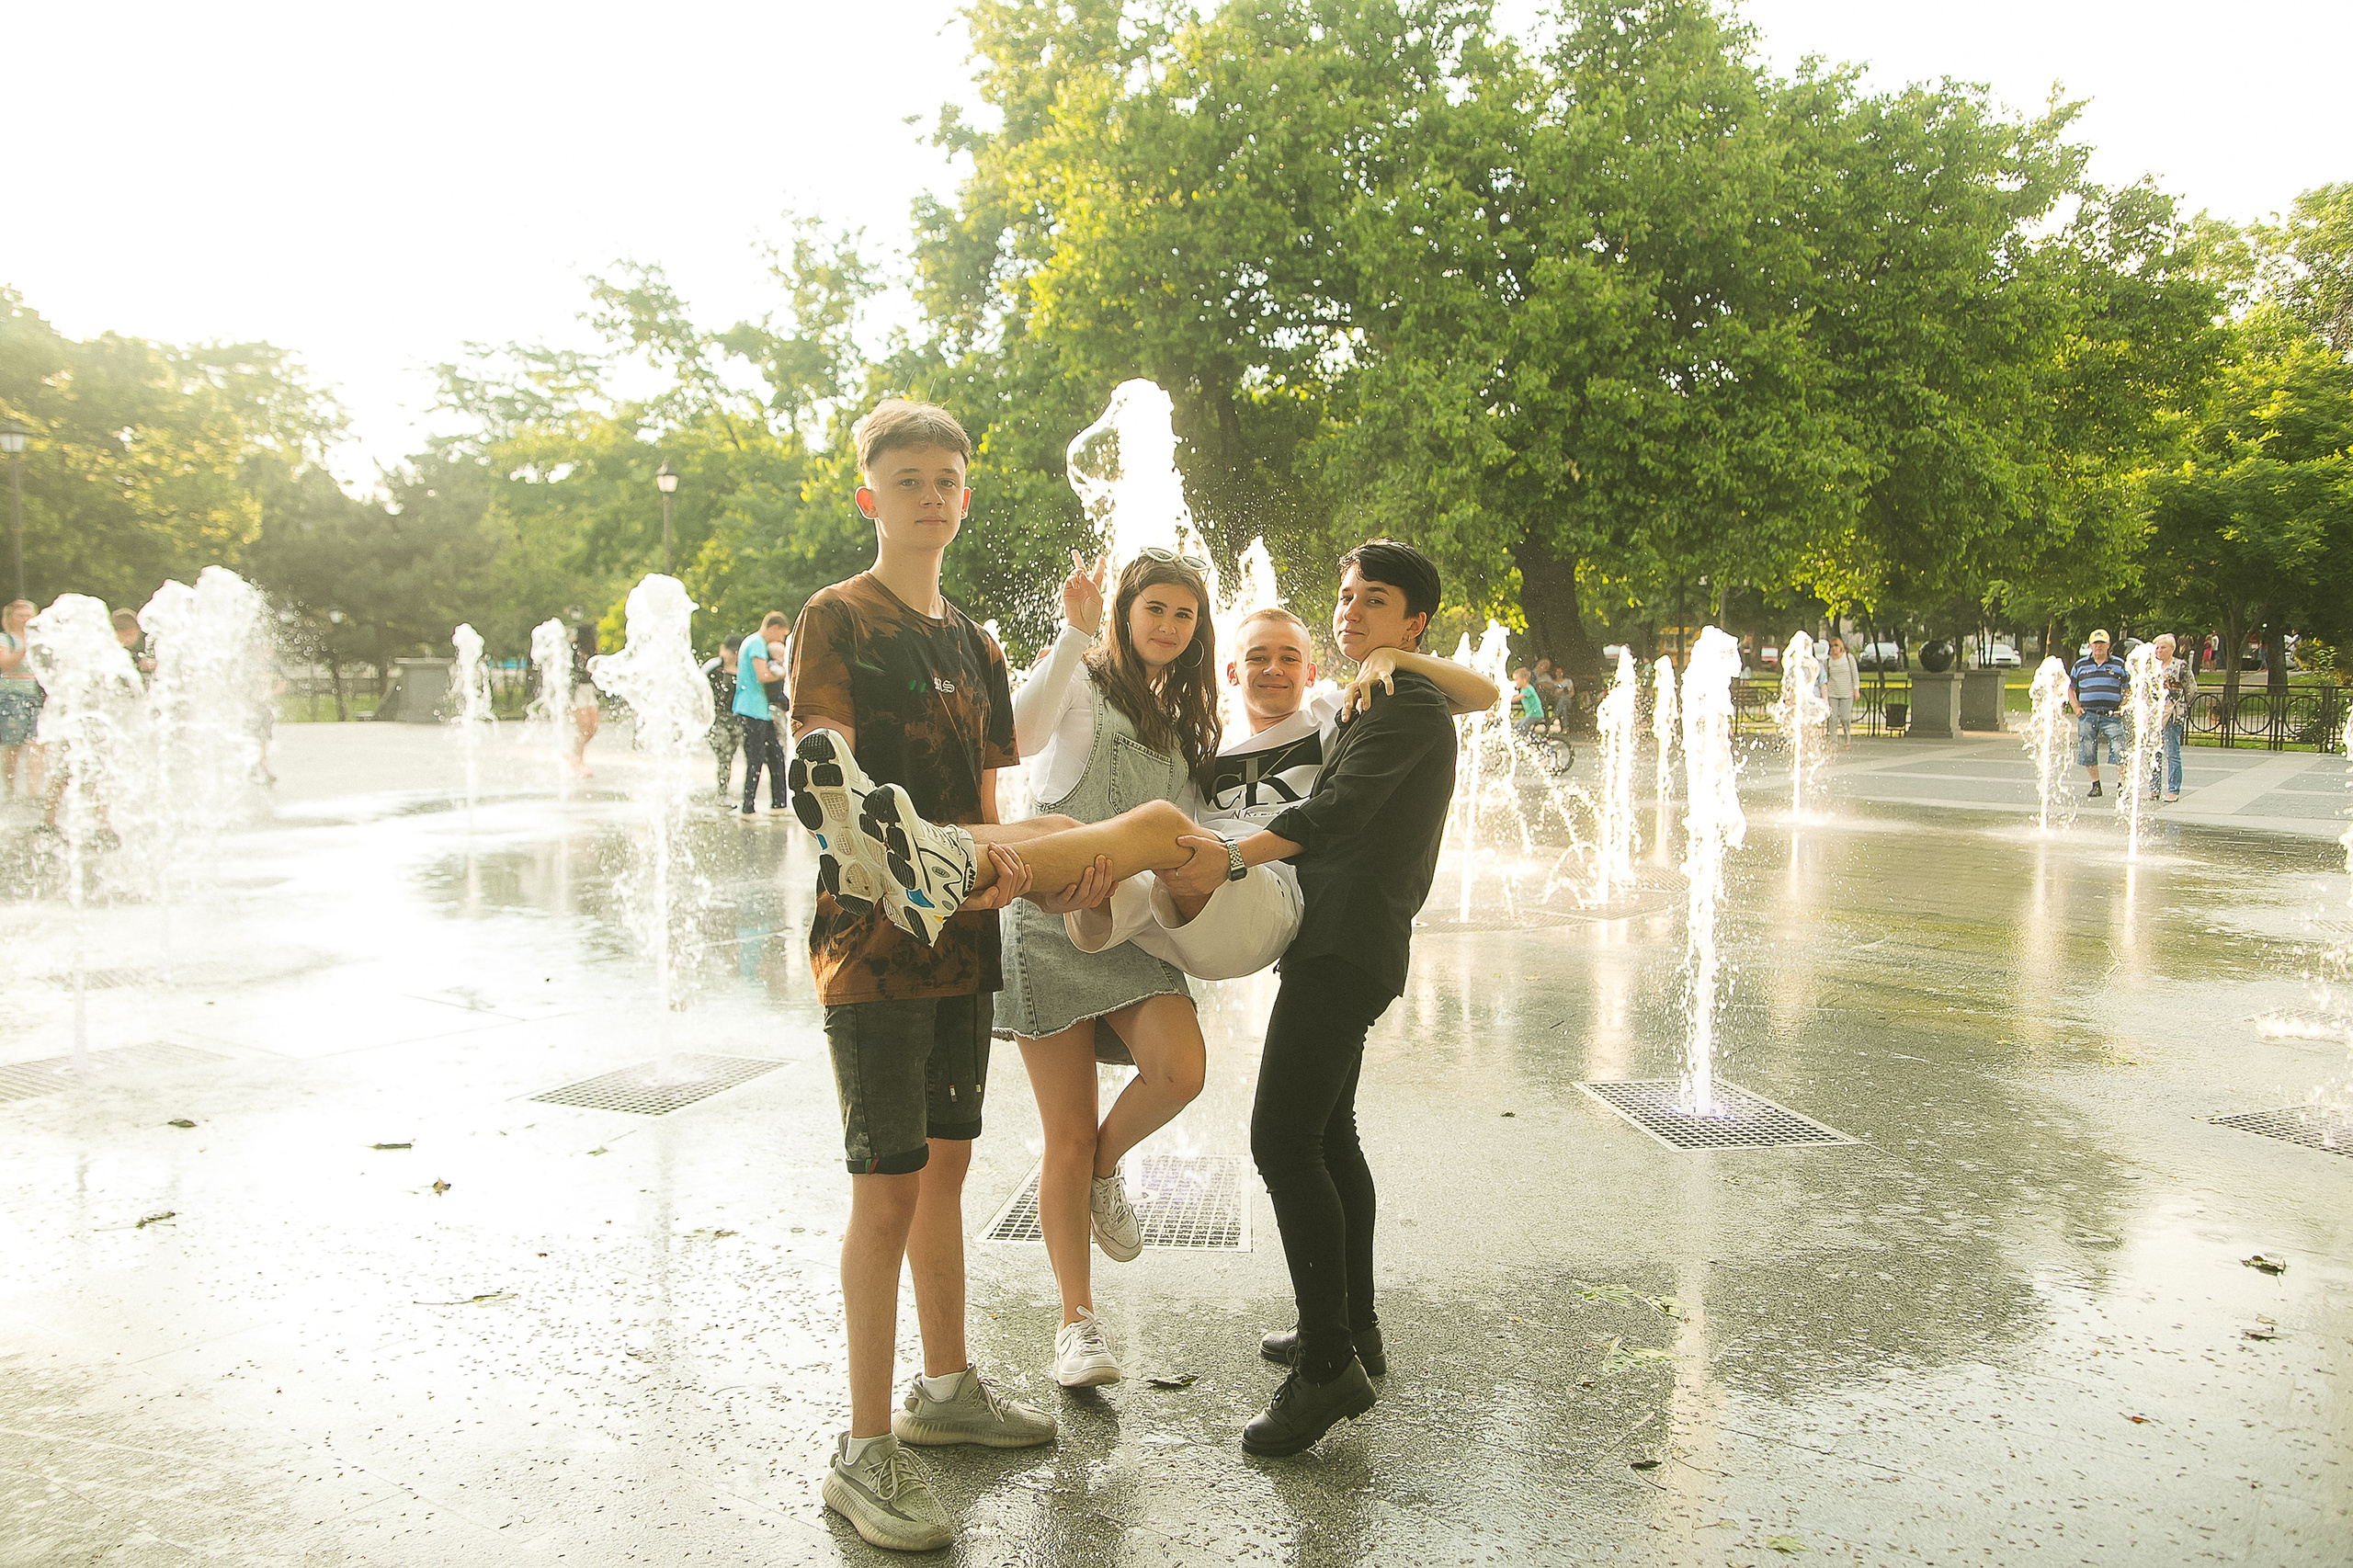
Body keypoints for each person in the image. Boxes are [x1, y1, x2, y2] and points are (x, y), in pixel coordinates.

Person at [782, 398, 1054, 1555]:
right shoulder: (836, 618)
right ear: (869, 496)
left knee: (947, 1171)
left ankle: (943, 1391)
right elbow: (826, 774)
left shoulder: (976, 642)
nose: (931, 495)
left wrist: (1011, 880)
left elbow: (990, 803)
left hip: (962, 944)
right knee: (885, 1189)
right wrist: (905, 866)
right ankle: (860, 1448)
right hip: (872, 947)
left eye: (948, 477)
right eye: (908, 479)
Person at [1162, 540, 1461, 1457]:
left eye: (1373, 599)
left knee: (1280, 1139)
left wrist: (1232, 856)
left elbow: (1336, 814)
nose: (1349, 610)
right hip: (1340, 937)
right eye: (1344, 595)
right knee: (1330, 1137)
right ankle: (1352, 1325)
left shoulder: (1406, 706)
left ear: (1412, 621)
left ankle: (1327, 1365)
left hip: (1348, 939)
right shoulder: (1378, 693)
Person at [993, 547, 1222, 1391]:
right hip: (1048, 917)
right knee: (1061, 1130)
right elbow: (1013, 739)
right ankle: (1076, 1325)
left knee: (1180, 1070)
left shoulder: (1190, 716)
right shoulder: (1081, 681)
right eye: (1152, 608)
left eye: (1182, 614)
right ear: (1125, 612)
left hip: (1131, 928)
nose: (1165, 625)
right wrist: (1069, 634)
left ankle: (1102, 1170)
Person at [1062, 606, 1495, 983]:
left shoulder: (1335, 716)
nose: (1274, 669)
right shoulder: (1202, 754)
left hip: (1262, 888)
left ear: (1309, 674)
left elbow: (1482, 694)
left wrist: (1393, 656)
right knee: (1068, 844)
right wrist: (1070, 669)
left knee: (1160, 825)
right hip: (1185, 897)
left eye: (1289, 659)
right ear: (1232, 672)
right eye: (1258, 658)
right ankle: (1001, 871)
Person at [736, 612, 791, 819]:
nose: (780, 641)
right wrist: (784, 673)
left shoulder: (751, 641)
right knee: (756, 758)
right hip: (752, 709)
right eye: (781, 636)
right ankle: (747, 807)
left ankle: (779, 804)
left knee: (775, 755)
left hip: (759, 710)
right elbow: (762, 675)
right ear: (774, 627)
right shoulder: (757, 643)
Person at [2068, 630, 2128, 798]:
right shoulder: (2080, 665)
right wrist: (2075, 707)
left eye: (2102, 643)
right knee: (2087, 749)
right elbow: (2071, 688)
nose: (2099, 646)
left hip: (2111, 715)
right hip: (2088, 714)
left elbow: (2128, 688)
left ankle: (2122, 785)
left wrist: (2122, 706)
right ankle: (2095, 785)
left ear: (2108, 645)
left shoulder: (2118, 664)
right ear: (2090, 645)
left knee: (2119, 749)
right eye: (2095, 643)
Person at [1, 598, 41, 800]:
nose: (26, 619)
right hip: (11, 697)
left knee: (38, 742)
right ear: (10, 618)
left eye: (29, 614)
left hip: (35, 697)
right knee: (14, 744)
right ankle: (10, 787)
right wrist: (25, 647)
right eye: (21, 615)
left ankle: (33, 791)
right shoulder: (5, 640)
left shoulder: (40, 640)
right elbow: (5, 664)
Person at [702, 633, 743, 794]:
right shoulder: (713, 667)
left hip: (735, 719)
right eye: (730, 651)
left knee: (730, 756)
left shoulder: (742, 669)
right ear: (723, 649)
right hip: (716, 719)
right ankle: (722, 793)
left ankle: (725, 791)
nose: (733, 655)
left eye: (736, 652)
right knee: (724, 754)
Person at [2152, 632, 2188, 802]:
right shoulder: (2152, 666)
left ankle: (2173, 789)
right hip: (2154, 714)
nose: (2158, 650)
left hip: (2173, 715)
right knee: (2154, 752)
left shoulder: (2180, 666)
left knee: (2172, 752)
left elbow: (2192, 689)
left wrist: (2180, 704)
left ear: (2172, 649)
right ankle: (2154, 788)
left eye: (2162, 647)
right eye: (2157, 647)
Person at [569, 623, 599, 777]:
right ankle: (577, 760)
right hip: (579, 691)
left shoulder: (592, 653)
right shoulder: (575, 652)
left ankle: (574, 755)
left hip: (589, 691)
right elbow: (575, 674)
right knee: (583, 728)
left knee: (593, 727)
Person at [1820, 635, 1860, 751]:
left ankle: (1847, 737)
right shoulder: (1827, 661)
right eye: (1832, 646)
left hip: (1846, 693)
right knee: (1832, 718)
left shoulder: (1848, 658)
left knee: (1845, 717)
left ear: (1841, 646)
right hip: (1833, 693)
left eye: (1836, 645)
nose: (1834, 648)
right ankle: (1834, 742)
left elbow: (1855, 674)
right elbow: (1825, 678)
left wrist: (1856, 689)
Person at [1509, 666, 1545, 738]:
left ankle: (1521, 743)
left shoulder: (1528, 689)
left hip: (1535, 714)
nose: (1515, 682)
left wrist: (1504, 699)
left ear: (1524, 680)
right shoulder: (1523, 689)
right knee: (1515, 727)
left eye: (1516, 679)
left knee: (1520, 730)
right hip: (1530, 714)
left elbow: (1516, 699)